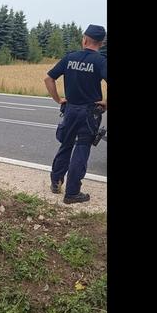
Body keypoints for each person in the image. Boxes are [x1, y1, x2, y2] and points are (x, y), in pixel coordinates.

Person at [44, 24, 107, 204]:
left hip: (70, 109)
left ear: (85, 39)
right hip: (89, 113)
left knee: (66, 144)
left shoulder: (70, 58)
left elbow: (48, 79)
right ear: (100, 43)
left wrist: (58, 99)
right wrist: (106, 103)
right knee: (82, 148)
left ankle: (56, 182)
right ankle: (72, 193)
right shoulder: (100, 61)